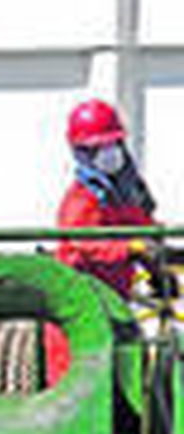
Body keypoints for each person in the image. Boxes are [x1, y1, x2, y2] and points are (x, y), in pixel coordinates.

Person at [55, 99, 158, 296]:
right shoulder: (81, 198)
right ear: (82, 153)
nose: (110, 153)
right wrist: (129, 247)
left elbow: (141, 226)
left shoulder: (125, 193)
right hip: (82, 294)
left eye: (114, 143)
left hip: (115, 292)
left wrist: (157, 264)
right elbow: (83, 243)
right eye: (98, 147)